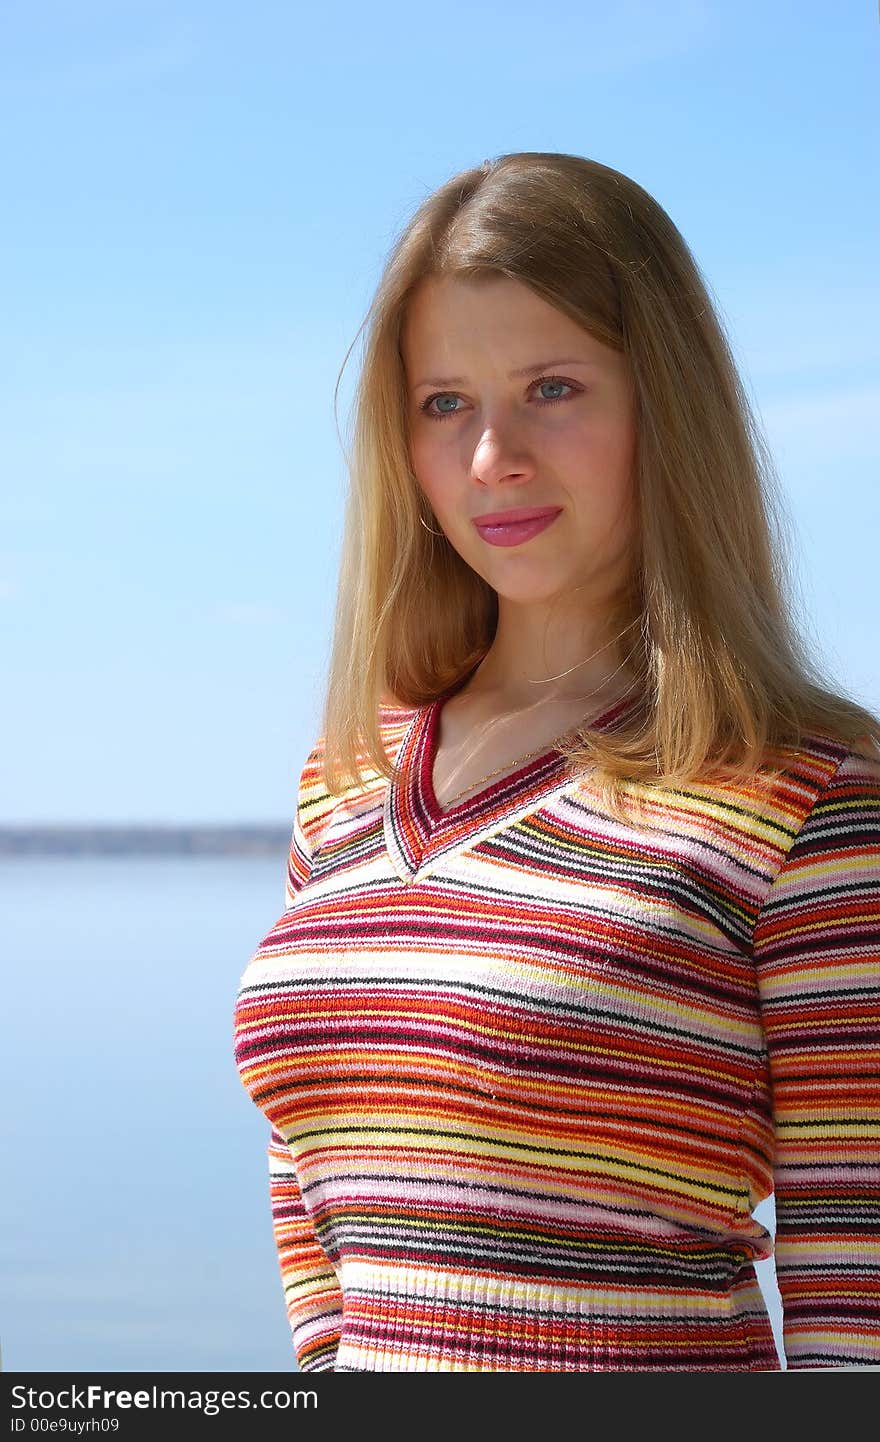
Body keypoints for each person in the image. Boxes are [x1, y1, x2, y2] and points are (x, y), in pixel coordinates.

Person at [233, 152, 880, 1372]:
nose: (492, 457)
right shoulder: (348, 776)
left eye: (552, 387)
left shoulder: (808, 794)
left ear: (664, 407)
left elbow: (861, 1302)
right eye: (443, 403)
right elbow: (312, 1176)